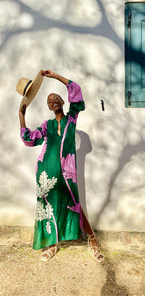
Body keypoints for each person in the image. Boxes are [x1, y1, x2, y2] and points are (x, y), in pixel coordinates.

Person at [19, 70, 104, 262]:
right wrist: (21, 115)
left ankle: (92, 239)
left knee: (74, 203)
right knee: (49, 206)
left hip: (67, 171)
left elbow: (76, 90)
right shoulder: (46, 125)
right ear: (49, 107)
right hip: (46, 171)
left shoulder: (71, 119)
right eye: (50, 101)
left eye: (56, 98)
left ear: (63, 102)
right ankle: (51, 244)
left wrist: (55, 76)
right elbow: (29, 140)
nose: (53, 102)